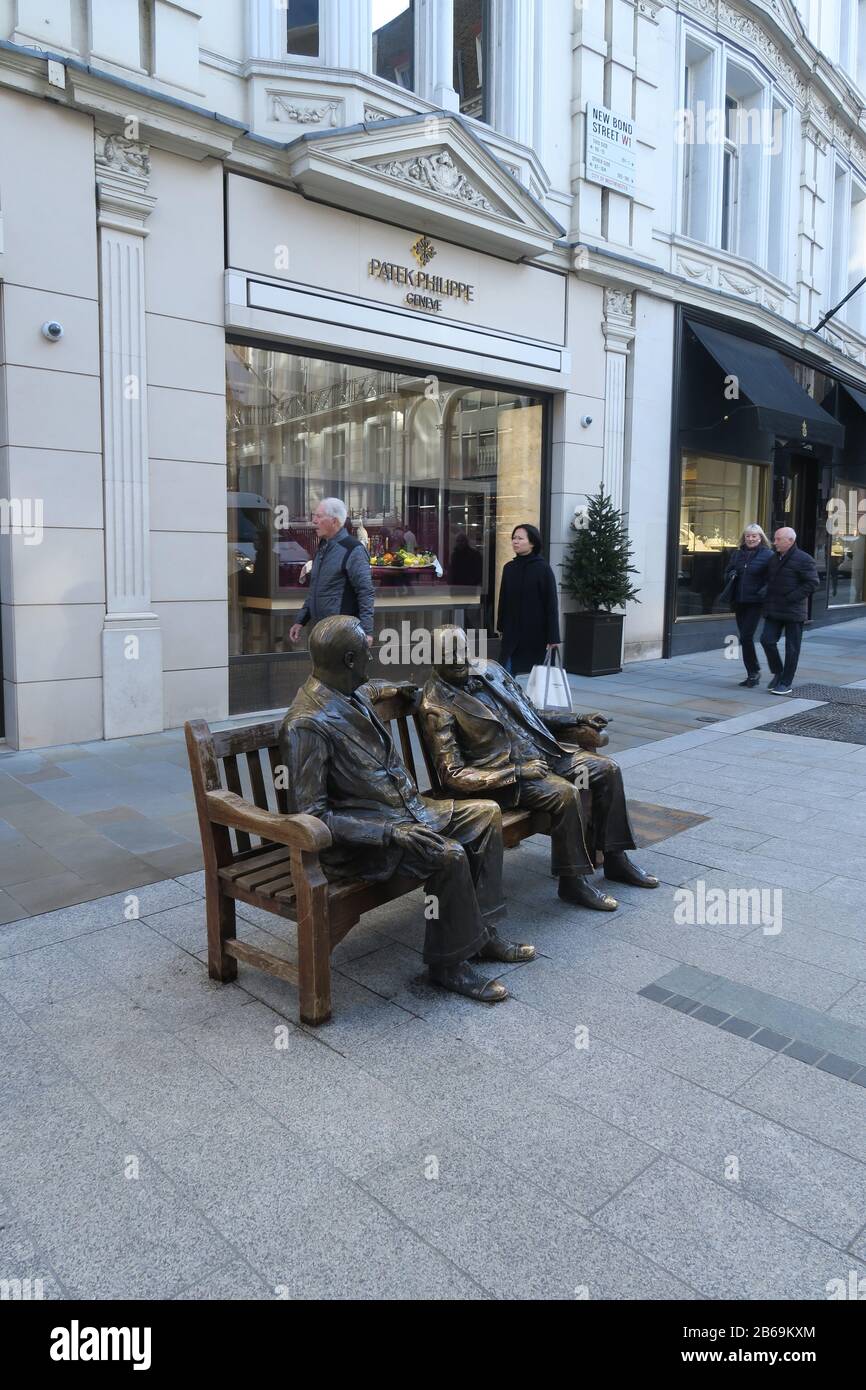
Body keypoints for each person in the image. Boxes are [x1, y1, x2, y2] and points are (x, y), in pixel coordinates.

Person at [279, 616, 536, 1003]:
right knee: (446, 854)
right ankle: (448, 965)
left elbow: (375, 686)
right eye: (367, 650)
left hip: (409, 812)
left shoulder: (348, 689)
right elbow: (312, 816)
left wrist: (402, 689)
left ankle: (484, 934)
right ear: (349, 659)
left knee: (485, 815)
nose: (372, 654)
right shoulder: (307, 724)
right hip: (361, 845)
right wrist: (389, 832)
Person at [419, 627, 658, 913]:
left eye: (465, 654)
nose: (464, 664)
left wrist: (576, 718)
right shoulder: (435, 704)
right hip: (505, 778)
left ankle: (616, 858)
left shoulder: (491, 670)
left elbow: (532, 714)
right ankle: (573, 881)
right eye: (453, 661)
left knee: (607, 769)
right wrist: (518, 772)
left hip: (545, 752)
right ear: (434, 659)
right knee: (565, 792)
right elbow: (453, 775)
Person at [290, 498, 374, 647]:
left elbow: (365, 592)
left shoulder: (353, 549)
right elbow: (315, 590)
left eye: (319, 516)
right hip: (320, 632)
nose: (314, 521)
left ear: (334, 521)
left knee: (341, 671)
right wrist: (300, 621)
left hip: (342, 635)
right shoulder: (322, 549)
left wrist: (367, 632)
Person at [760, 527, 820, 695]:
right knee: (767, 640)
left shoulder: (804, 559)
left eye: (779, 539)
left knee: (792, 648)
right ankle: (778, 672)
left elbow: (812, 583)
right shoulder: (774, 558)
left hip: (793, 610)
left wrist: (791, 597)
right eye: (775, 538)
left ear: (790, 541)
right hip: (774, 608)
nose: (775, 542)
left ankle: (786, 682)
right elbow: (769, 580)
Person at [497, 524, 561, 675]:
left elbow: (551, 604)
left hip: (535, 635)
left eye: (520, 538)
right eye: (513, 538)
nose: (515, 542)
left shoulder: (542, 568)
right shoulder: (509, 568)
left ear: (532, 543)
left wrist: (553, 637)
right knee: (506, 675)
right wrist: (501, 627)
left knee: (532, 679)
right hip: (512, 633)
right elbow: (503, 599)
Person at [723, 524, 773, 687]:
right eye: (748, 536)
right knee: (745, 638)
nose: (750, 539)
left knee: (746, 636)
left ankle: (754, 672)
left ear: (760, 538)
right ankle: (751, 672)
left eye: (754, 536)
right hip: (739, 601)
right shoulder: (737, 554)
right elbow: (727, 571)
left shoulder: (768, 555)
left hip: (755, 602)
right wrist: (731, 574)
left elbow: (772, 578)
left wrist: (763, 592)